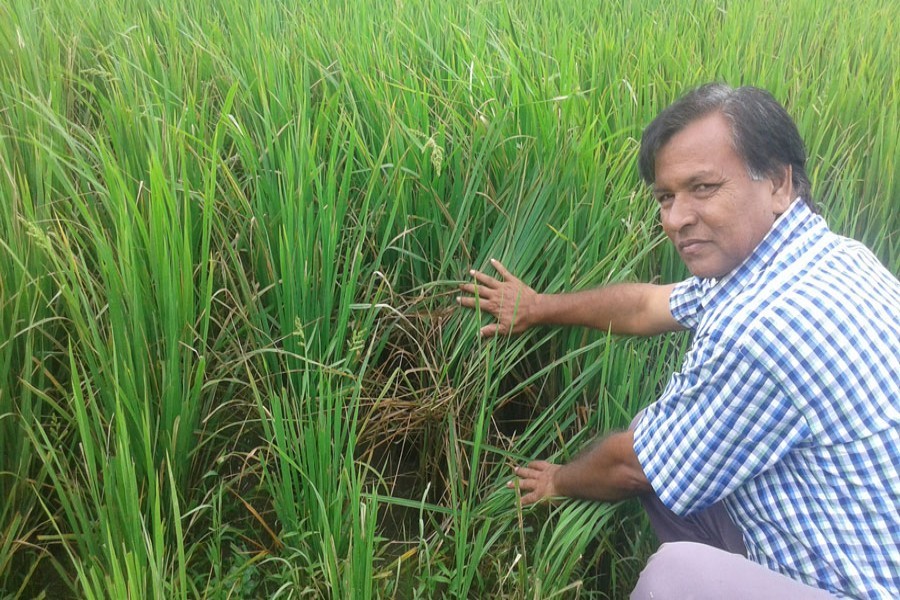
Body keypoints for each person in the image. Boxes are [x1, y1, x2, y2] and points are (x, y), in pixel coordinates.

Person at [456, 83, 899, 599]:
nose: (674, 219)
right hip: (864, 532)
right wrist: (537, 307)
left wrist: (558, 480)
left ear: (778, 183)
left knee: (674, 575)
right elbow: (646, 305)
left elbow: (632, 464)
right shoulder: (832, 256)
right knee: (673, 455)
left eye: (703, 188)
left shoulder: (761, 326)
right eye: (665, 197)